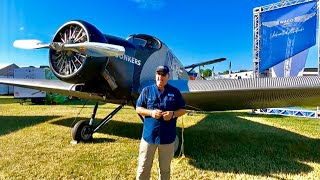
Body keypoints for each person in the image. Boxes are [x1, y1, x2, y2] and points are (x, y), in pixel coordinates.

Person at [135, 65, 186, 180]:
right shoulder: (146, 90)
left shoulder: (175, 92)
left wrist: (172, 114)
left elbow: (183, 110)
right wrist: (151, 113)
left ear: (168, 76)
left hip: (167, 139)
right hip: (148, 137)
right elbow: (138, 108)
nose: (160, 77)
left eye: (163, 74)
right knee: (143, 168)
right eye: (158, 74)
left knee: (165, 170)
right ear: (155, 75)